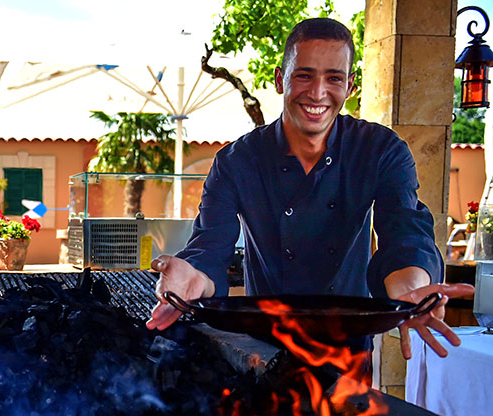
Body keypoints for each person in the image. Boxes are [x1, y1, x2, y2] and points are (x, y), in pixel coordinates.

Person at [146, 17, 475, 364]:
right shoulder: (237, 160)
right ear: (279, 80)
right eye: (303, 75)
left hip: (348, 346)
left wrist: (409, 291)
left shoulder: (380, 149)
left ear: (349, 86)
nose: (318, 93)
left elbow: (404, 229)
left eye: (333, 78)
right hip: (265, 349)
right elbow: (210, 248)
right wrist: (189, 276)